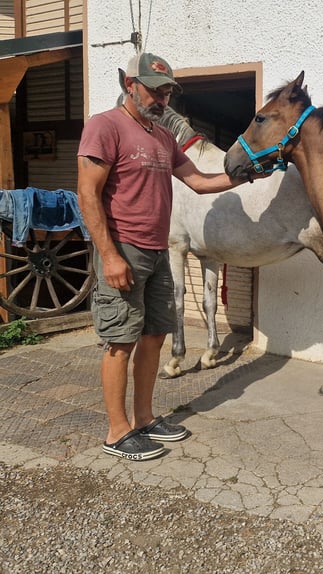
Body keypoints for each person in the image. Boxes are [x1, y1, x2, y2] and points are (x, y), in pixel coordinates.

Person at [77, 52, 260, 461]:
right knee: (120, 341)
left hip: (158, 251)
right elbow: (87, 194)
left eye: (167, 92)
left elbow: (197, 181)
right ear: (130, 85)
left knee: (155, 335)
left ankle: (144, 419)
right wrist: (109, 255)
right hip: (123, 248)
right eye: (154, 90)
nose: (162, 99)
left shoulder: (162, 137)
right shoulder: (105, 127)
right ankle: (116, 431)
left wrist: (247, 174)